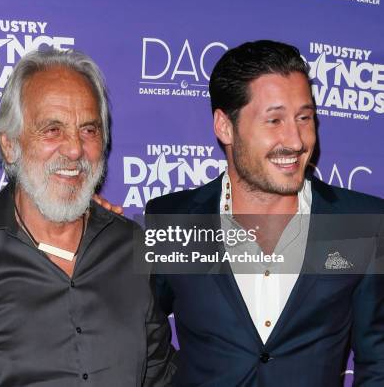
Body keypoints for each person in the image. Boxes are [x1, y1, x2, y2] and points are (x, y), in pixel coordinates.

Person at [146, 40, 384, 386]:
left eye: (304, 118)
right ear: (225, 127)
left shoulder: (362, 223)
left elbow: (378, 360)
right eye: (274, 120)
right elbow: (139, 335)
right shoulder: (173, 220)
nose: (296, 140)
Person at [0, 48, 175, 386]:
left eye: (89, 130)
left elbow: (159, 374)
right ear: (9, 145)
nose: (74, 149)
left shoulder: (130, 246)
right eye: (53, 129)